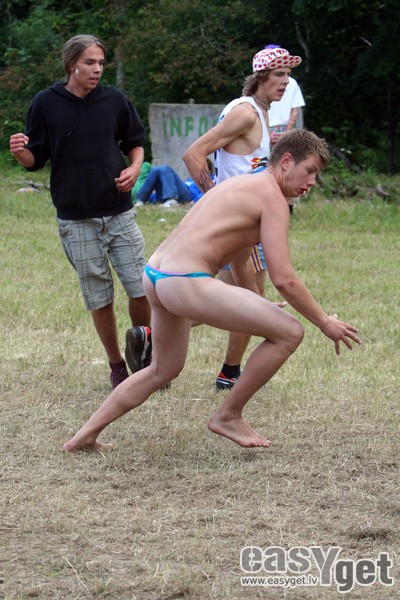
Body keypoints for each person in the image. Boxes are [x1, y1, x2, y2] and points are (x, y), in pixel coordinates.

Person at [63, 129, 362, 453]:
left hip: (157, 275)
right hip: (185, 279)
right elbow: (285, 278)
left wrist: (255, 301)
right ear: (287, 161)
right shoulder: (273, 198)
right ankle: (228, 415)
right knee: (290, 332)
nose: (312, 182)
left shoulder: (241, 184)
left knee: (162, 369)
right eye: (310, 170)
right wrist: (324, 322)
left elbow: (238, 254)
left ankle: (83, 438)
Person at [9, 34, 151, 390]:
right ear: (72, 64)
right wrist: (20, 153)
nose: (97, 69)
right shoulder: (46, 103)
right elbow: (35, 159)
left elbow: (135, 142)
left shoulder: (114, 100)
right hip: (76, 217)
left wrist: (135, 168)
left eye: (101, 63)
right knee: (99, 296)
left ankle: (145, 353)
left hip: (118, 211)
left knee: (141, 287)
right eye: (90, 62)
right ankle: (116, 365)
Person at [183, 46, 302, 391]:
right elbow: (193, 154)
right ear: (261, 76)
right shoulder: (246, 113)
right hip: (243, 221)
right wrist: (214, 198)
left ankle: (152, 334)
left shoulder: (259, 112)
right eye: (279, 74)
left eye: (288, 74)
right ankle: (229, 373)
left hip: (247, 220)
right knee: (251, 301)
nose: (286, 81)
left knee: (225, 297)